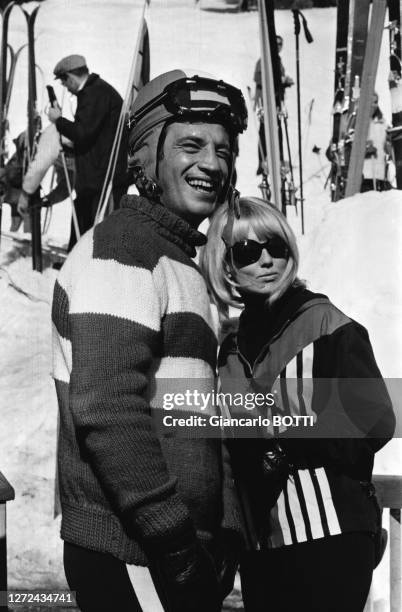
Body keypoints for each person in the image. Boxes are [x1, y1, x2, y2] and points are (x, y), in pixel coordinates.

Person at [51, 69, 248, 612]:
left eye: (224, 150)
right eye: (191, 145)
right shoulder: (121, 250)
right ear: (145, 156)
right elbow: (108, 410)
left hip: (176, 550)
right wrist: (175, 543)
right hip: (135, 552)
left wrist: (225, 523)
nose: (212, 163)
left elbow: (198, 414)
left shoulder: (180, 260)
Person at [200, 196, 395, 612]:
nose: (267, 260)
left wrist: (285, 444)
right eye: (249, 252)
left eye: (277, 246)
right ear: (227, 265)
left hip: (331, 533)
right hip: (262, 544)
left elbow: (375, 417)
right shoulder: (230, 349)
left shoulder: (325, 323)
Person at [48, 54, 128, 251]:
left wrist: (58, 120)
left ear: (70, 77)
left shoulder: (95, 93)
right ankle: (74, 270)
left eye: (64, 82)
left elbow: (83, 133)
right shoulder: (95, 92)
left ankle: (91, 275)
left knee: (99, 236)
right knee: (82, 225)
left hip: (104, 181)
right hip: (94, 180)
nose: (65, 88)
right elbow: (92, 138)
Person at [254, 36, 294, 176]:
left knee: (278, 131)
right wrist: (276, 82)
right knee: (265, 131)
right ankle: (262, 161)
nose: (278, 47)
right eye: (276, 44)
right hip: (266, 100)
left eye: (280, 44)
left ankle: (279, 159)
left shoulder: (277, 60)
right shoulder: (265, 59)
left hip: (276, 100)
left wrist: (283, 81)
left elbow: (279, 77)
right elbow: (258, 77)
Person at [361, 93, 393, 193]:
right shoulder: (359, 121)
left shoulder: (383, 122)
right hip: (364, 175)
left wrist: (389, 147)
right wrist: (364, 149)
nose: (373, 105)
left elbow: (388, 148)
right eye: (371, 102)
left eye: (375, 102)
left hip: (381, 175)